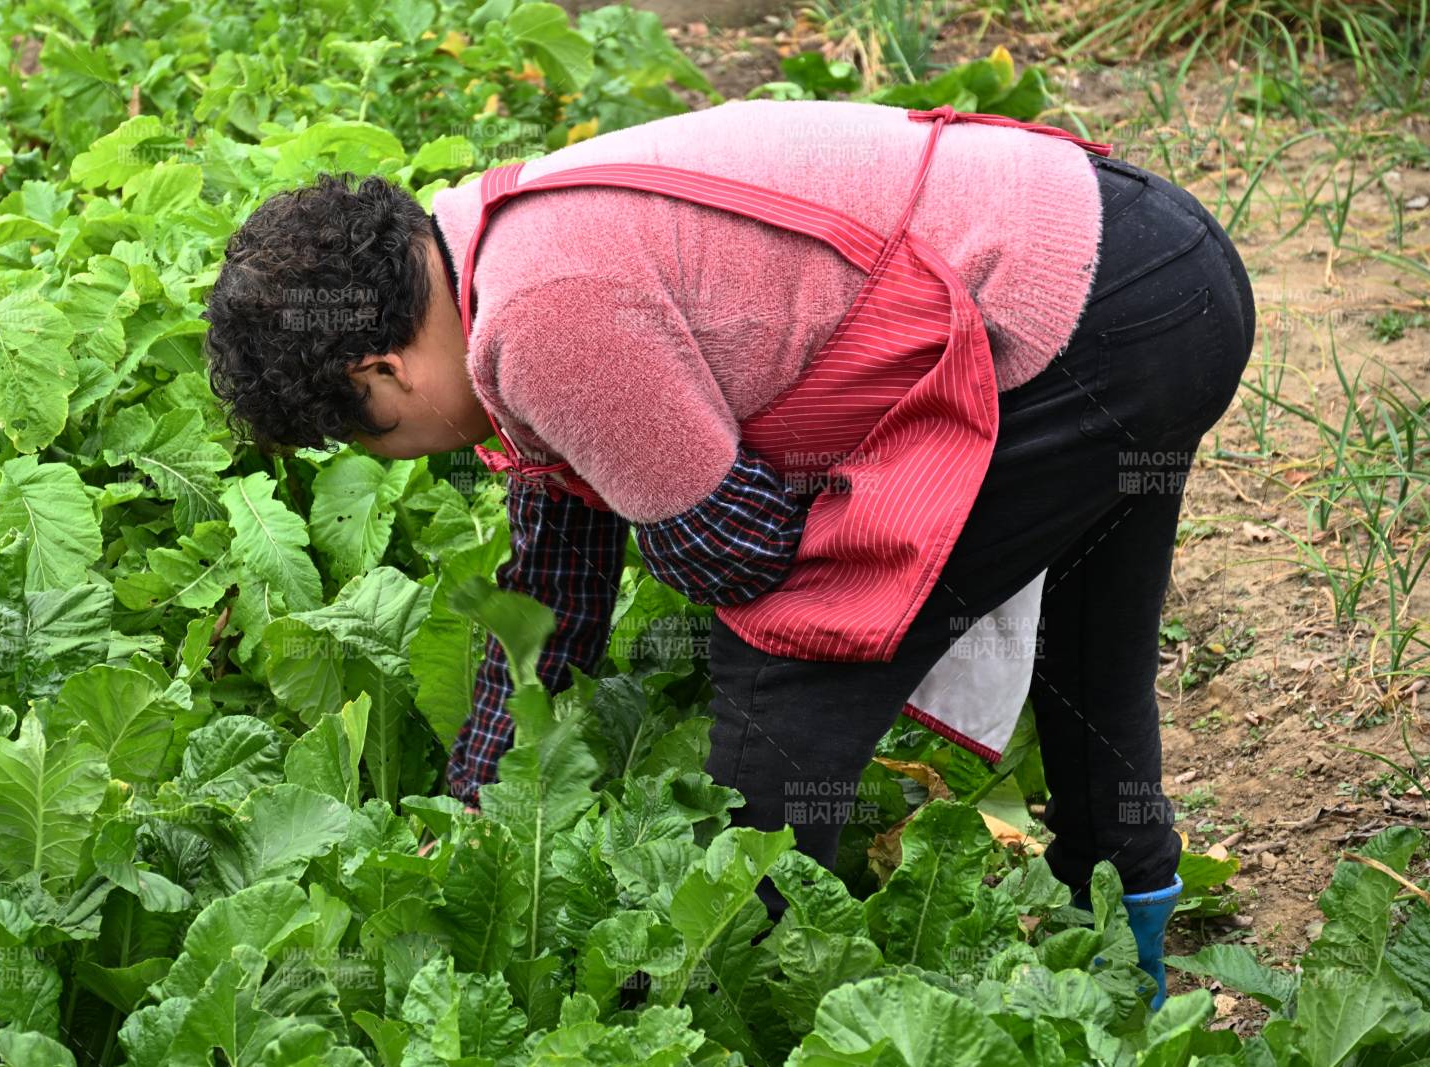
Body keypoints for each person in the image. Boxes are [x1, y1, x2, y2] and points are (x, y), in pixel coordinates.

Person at [202, 99, 1257, 1010]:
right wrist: (470, 810)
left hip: (1089, 312)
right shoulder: (487, 243)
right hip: (1146, 265)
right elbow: (553, 586)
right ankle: (1131, 977)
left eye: (366, 432)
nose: (396, 451)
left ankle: (733, 996)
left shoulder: (539, 317)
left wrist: (681, 497)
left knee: (789, 656)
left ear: (381, 368)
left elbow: (742, 553)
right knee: (1089, 648)